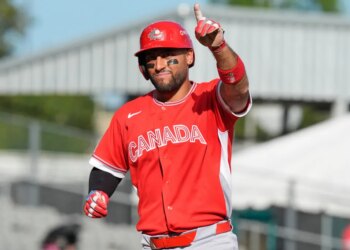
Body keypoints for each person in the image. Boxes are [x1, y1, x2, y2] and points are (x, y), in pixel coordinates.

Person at [83, 3, 251, 250]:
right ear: (143, 67)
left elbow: (239, 89)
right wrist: (97, 193)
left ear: (189, 57)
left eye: (167, 54)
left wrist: (219, 47)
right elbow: (106, 169)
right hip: (153, 244)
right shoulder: (129, 115)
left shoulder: (211, 98)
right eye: (151, 58)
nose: (159, 64)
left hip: (209, 241)